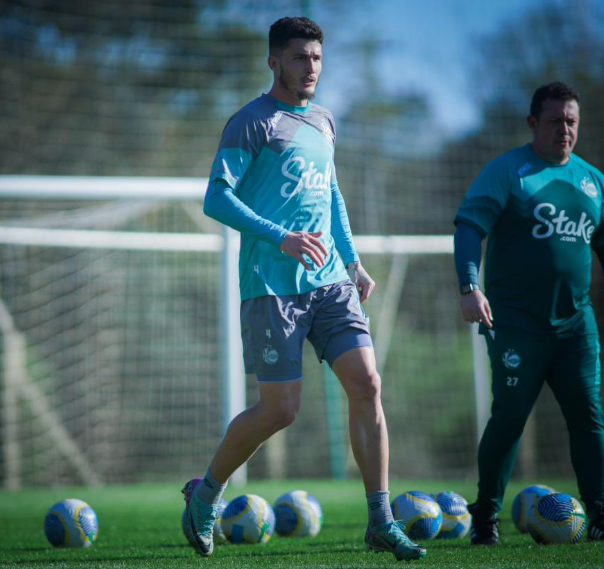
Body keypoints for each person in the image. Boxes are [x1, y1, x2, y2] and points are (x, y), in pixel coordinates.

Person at [181, 17, 425, 562]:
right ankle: (206, 492)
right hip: (272, 286)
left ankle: (381, 520)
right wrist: (282, 238)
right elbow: (215, 199)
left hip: (332, 281)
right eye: (298, 58)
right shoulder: (251, 123)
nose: (310, 67)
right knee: (281, 411)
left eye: (316, 57)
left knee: (367, 384)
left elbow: (331, 196)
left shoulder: (324, 121)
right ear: (274, 62)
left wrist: (354, 261)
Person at [453, 81, 604, 545]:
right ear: (534, 123)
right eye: (555, 121)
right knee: (510, 416)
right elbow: (468, 227)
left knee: (588, 416)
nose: (564, 130)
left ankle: (600, 515)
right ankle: (485, 518)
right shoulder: (508, 172)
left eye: (571, 121)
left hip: (576, 325)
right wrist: (470, 287)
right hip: (515, 323)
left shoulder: (593, 182)